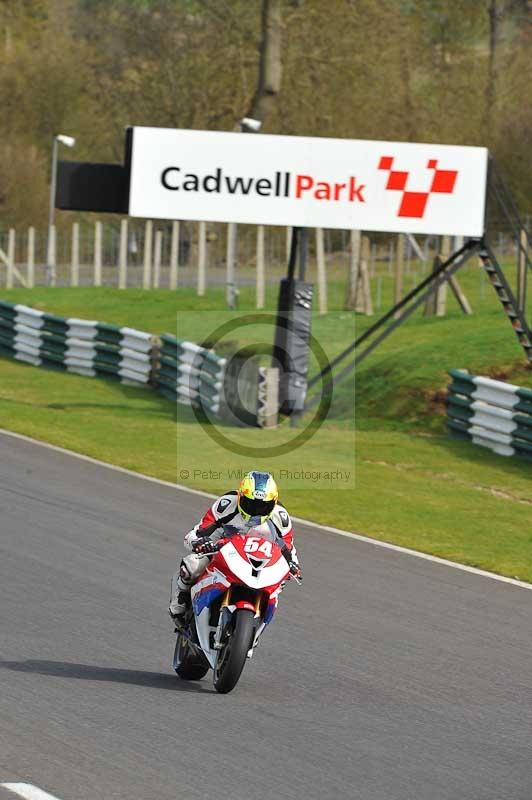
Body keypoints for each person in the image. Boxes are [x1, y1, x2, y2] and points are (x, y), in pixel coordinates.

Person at [169, 470, 301, 627]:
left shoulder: (281, 517)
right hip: (221, 551)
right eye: (250, 504)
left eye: (262, 506)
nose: (255, 511)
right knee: (191, 565)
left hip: (257, 561)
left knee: (279, 585)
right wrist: (199, 542)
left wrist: (294, 565)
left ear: (273, 503)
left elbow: (289, 549)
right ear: (240, 497)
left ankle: (255, 630)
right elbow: (196, 532)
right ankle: (179, 605)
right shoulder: (226, 504)